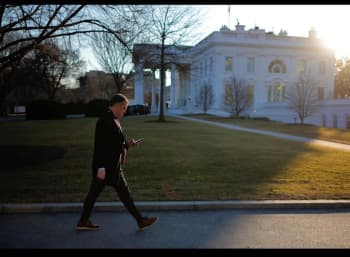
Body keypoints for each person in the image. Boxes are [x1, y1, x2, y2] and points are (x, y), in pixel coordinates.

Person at [76, 93, 158, 231]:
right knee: (93, 195)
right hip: (105, 167)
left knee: (125, 195)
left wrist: (127, 144)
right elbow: (101, 146)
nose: (125, 111)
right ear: (118, 105)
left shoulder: (113, 120)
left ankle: (140, 220)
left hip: (114, 167)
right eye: (124, 108)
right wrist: (101, 168)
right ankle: (83, 221)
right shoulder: (104, 121)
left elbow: (115, 143)